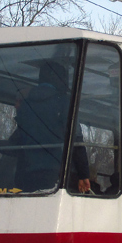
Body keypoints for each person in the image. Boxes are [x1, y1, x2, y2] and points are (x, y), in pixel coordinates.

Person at [9, 61, 90, 193]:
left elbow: (17, 139)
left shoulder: (25, 105)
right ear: (61, 80)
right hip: (55, 172)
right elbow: (75, 138)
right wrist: (83, 174)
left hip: (25, 174)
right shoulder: (64, 103)